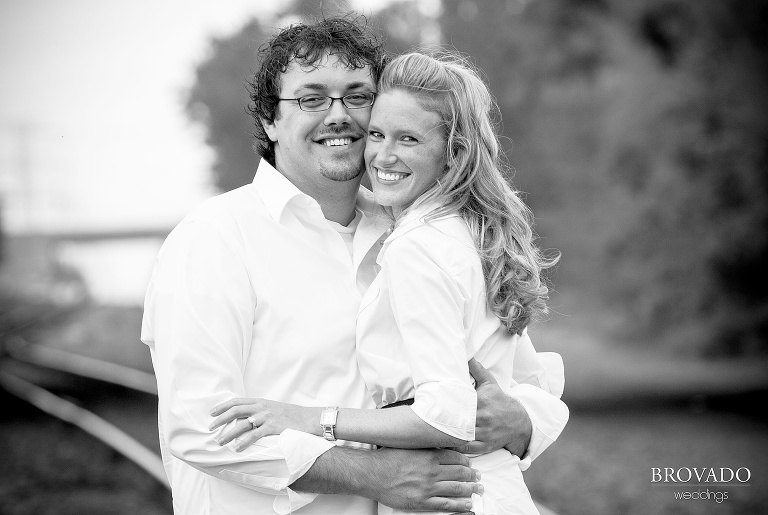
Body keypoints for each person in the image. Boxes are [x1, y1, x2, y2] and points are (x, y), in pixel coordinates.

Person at [141, 16, 567, 515]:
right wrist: (373, 476)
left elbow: (523, 376)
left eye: (357, 96)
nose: (338, 115)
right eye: (312, 98)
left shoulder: (410, 236)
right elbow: (200, 428)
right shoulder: (214, 239)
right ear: (269, 120)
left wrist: (519, 421)